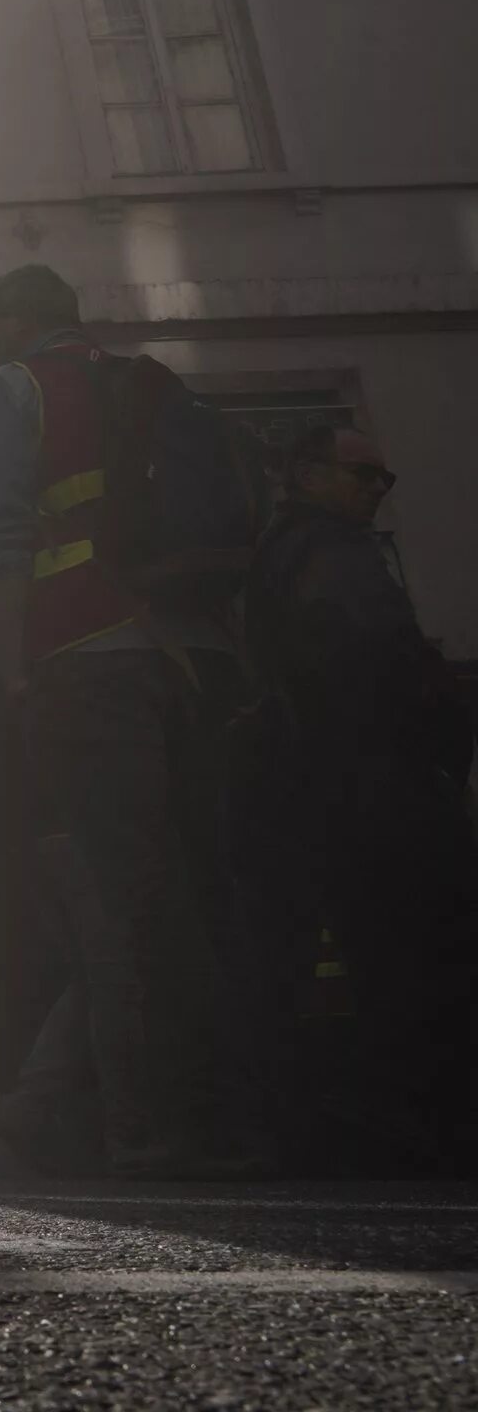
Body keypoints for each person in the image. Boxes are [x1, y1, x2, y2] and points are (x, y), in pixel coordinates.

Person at [0, 264, 257, 1179]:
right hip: (191, 656)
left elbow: (2, 536)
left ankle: (139, 1126)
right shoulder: (146, 382)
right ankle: (209, 1112)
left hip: (84, 651)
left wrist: (7, 671)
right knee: (185, 894)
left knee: (112, 908)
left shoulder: (10, 392)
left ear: (13, 321)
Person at [244, 425, 478, 1170]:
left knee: (380, 952)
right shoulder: (333, 555)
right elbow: (378, 655)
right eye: (362, 474)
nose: (378, 487)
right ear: (309, 475)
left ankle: (405, 1119)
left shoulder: (286, 554)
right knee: (425, 947)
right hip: (381, 781)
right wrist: (442, 712)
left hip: (335, 786)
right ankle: (439, 1118)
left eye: (385, 479)